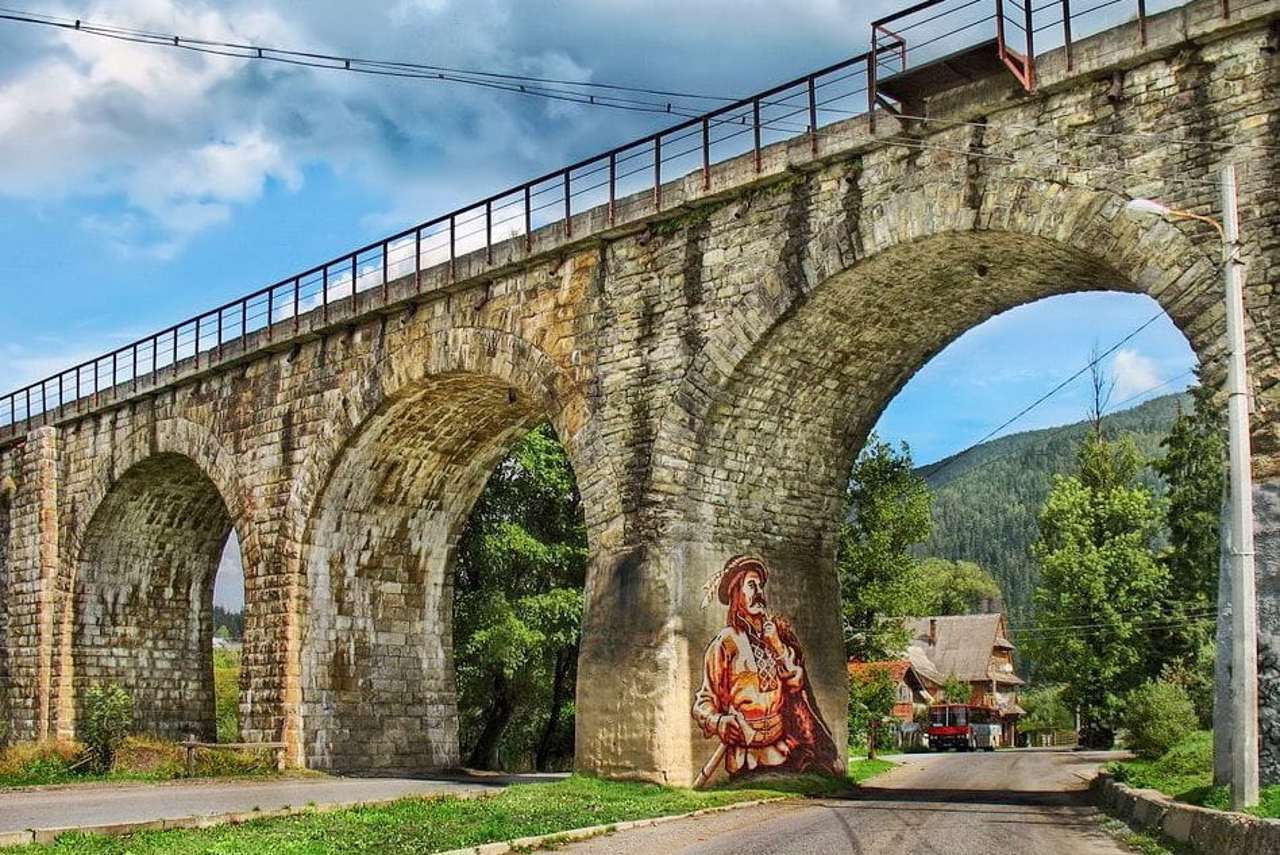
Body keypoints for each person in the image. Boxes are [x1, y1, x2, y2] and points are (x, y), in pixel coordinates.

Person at [691, 554, 838, 784]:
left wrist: (777, 646)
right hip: (745, 760)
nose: (759, 592)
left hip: (783, 753)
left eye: (760, 586)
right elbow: (704, 703)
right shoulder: (725, 643)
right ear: (736, 593)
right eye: (751, 585)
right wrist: (718, 722)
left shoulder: (776, 635)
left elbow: (795, 682)